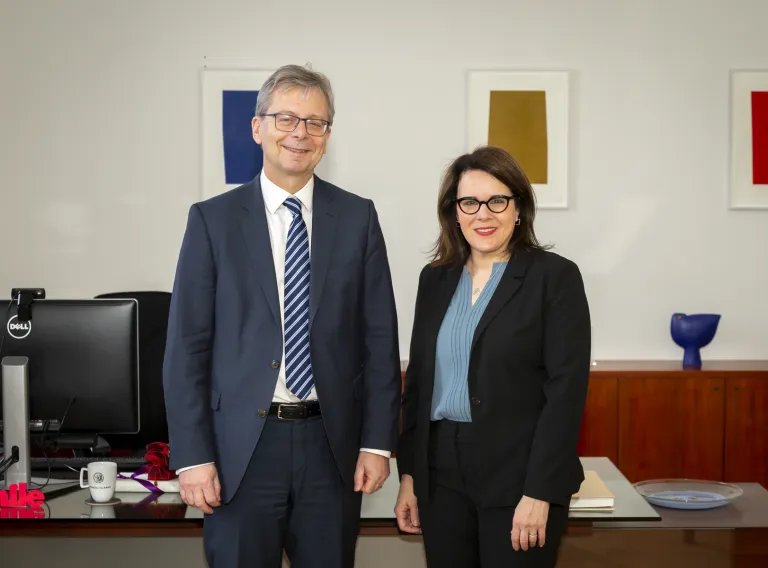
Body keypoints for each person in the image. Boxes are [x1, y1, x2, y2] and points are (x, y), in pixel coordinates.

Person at [163, 63, 402, 568]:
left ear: (327, 136)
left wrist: (377, 444)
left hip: (331, 448)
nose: (300, 133)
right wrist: (192, 456)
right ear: (258, 128)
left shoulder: (358, 217)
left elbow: (379, 341)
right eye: (286, 119)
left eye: (316, 122)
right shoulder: (212, 221)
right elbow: (186, 348)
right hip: (239, 452)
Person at [394, 146, 591, 568]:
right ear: (454, 212)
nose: (483, 214)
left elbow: (566, 395)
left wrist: (539, 491)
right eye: (469, 202)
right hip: (440, 476)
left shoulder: (554, 277)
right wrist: (409, 476)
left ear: (518, 208)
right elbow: (419, 386)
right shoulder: (435, 279)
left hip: (519, 475)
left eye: (497, 201)